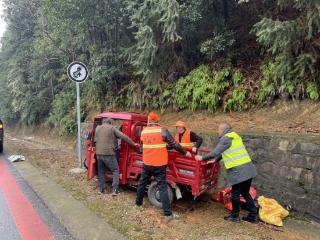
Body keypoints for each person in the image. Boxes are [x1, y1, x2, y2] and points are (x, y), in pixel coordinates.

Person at [195, 123, 258, 224]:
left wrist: (202, 158)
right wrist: (215, 160)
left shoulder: (225, 138)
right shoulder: (235, 136)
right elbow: (225, 151)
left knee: (235, 193)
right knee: (245, 192)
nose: (218, 131)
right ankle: (254, 216)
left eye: (218, 130)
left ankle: (235, 216)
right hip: (248, 169)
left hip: (239, 171)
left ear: (222, 129)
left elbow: (216, 152)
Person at [136, 112, 192, 219]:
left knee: (142, 183)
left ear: (149, 120)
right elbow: (174, 144)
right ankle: (167, 214)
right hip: (159, 164)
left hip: (147, 163)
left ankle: (138, 204)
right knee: (162, 187)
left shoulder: (143, 131)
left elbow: (146, 146)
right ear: (157, 121)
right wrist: (185, 152)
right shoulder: (162, 130)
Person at [94, 118, 140, 196]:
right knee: (115, 170)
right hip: (109, 153)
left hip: (98, 153)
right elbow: (123, 136)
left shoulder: (98, 128)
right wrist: (133, 144)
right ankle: (115, 190)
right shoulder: (112, 128)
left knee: (101, 171)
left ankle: (102, 189)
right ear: (110, 122)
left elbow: (95, 140)